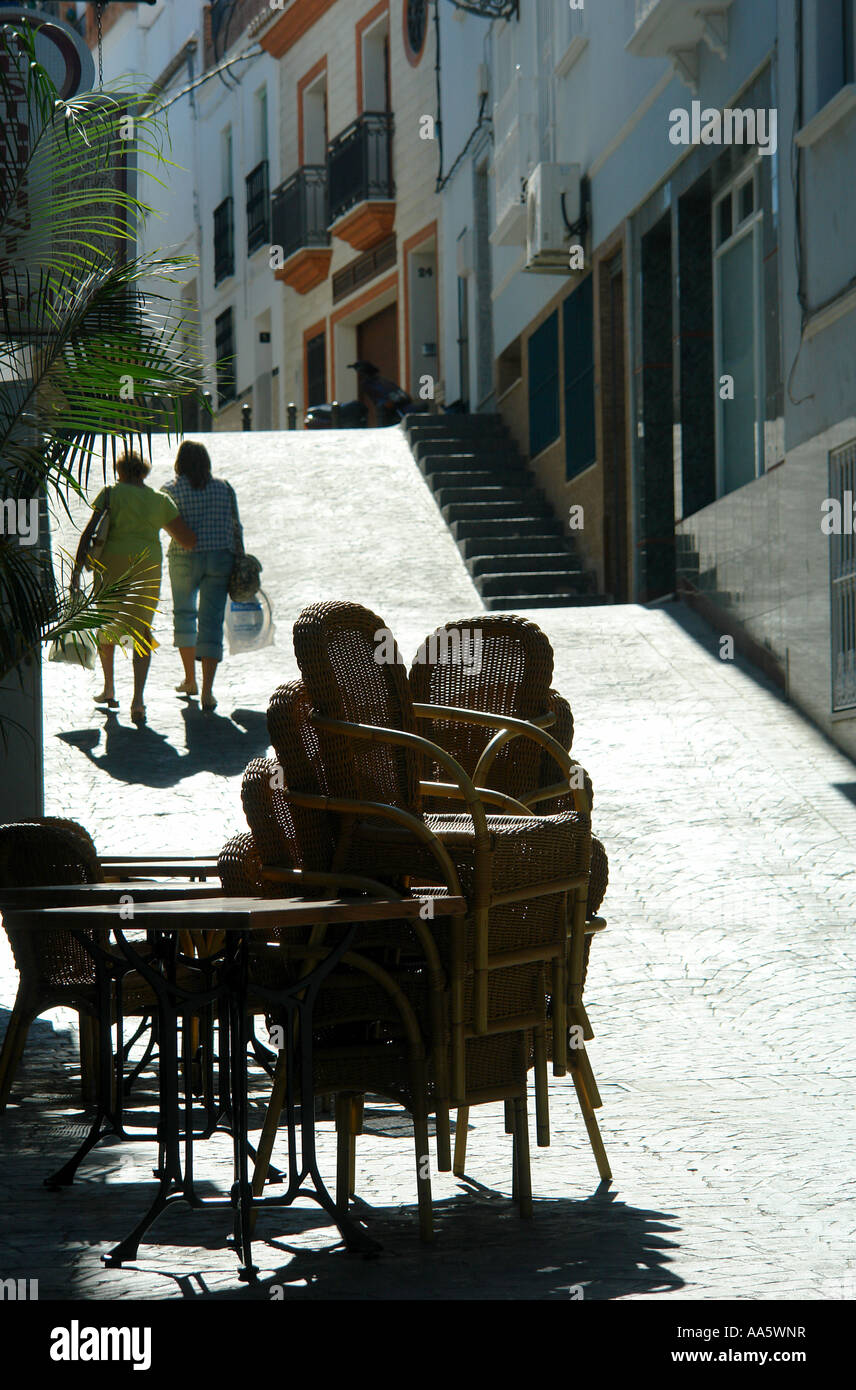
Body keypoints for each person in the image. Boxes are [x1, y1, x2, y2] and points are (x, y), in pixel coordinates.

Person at [72, 451, 196, 723]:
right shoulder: (159, 500)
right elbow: (186, 538)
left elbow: (90, 531)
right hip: (146, 566)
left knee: (108, 622)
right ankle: (138, 700)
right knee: (140, 629)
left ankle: (109, 688)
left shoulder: (110, 493)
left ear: (120, 471)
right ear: (144, 472)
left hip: (111, 564)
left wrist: (76, 570)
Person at [161, 441, 242, 712]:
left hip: (184, 558)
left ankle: (189, 680)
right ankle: (208, 691)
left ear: (179, 463)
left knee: (184, 616)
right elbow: (236, 526)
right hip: (220, 557)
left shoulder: (170, 491)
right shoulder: (224, 488)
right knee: (211, 622)